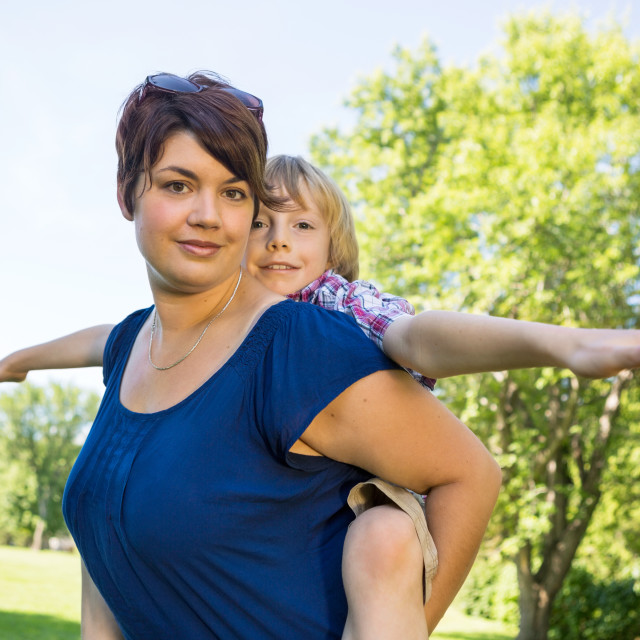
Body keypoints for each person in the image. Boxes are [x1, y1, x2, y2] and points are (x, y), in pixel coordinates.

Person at [3, 147, 640, 635]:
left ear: (333, 247)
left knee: (382, 532)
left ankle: (564, 343)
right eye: (262, 223)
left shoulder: (333, 306)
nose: (280, 239)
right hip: (332, 490)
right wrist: (23, 360)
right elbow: (109, 338)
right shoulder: (196, 330)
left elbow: (423, 347)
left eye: (302, 226)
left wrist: (558, 346)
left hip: (385, 491)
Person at [5, 70, 502, 640]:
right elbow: (105, 560)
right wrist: (15, 362)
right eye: (177, 185)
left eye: (234, 193)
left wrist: (407, 620)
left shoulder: (300, 343)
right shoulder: (130, 345)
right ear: (127, 192)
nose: (209, 215)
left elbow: (470, 474)